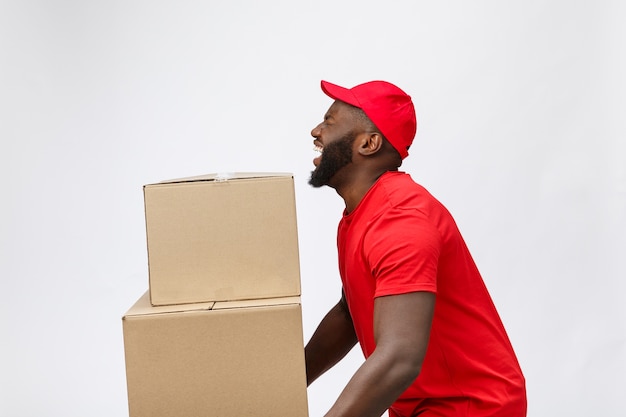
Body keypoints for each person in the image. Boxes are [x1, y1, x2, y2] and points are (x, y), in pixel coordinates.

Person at [304, 80, 527, 417]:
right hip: (423, 407)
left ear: (368, 143)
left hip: (473, 408)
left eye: (330, 121)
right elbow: (349, 314)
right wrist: (280, 385)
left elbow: (400, 358)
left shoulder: (400, 219)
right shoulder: (361, 214)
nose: (316, 130)